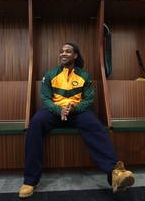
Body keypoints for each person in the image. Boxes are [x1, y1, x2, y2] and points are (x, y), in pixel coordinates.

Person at [19, 42, 135, 198]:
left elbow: (89, 99)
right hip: (54, 112)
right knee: (35, 123)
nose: (63, 54)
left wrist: (74, 108)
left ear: (75, 55)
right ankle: (30, 180)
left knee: (94, 123)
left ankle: (116, 173)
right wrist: (59, 109)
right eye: (61, 51)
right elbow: (45, 98)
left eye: (68, 51)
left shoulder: (84, 76)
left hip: (77, 112)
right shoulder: (51, 74)